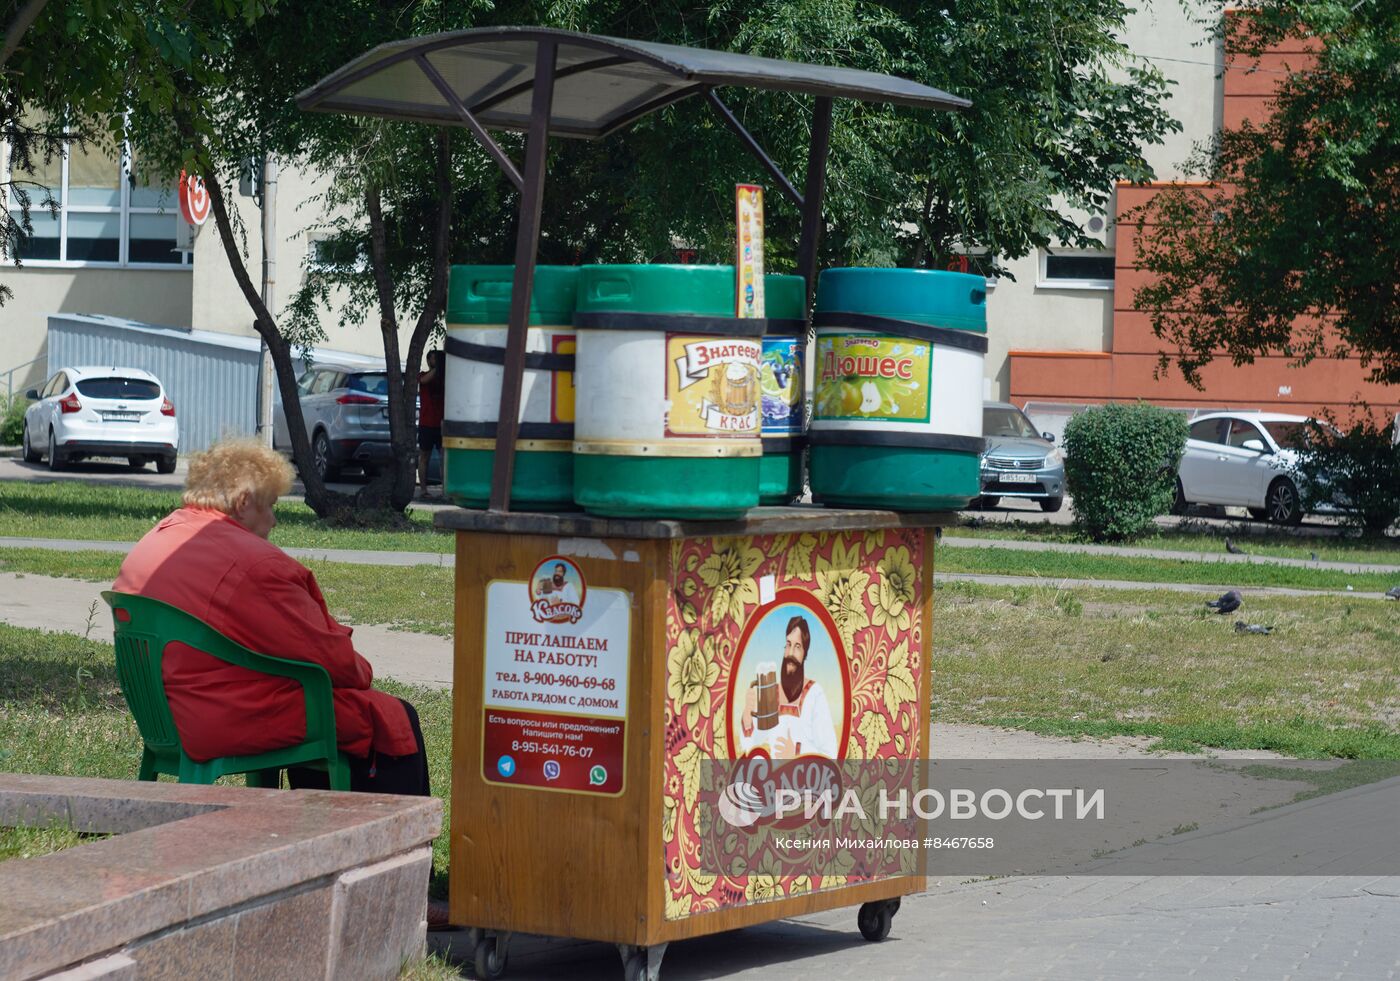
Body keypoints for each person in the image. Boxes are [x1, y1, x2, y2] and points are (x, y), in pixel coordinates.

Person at [112, 438, 449, 925]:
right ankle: (400, 888)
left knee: (331, 711)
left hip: (175, 713)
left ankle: (326, 863)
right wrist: (358, 675)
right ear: (244, 503)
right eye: (270, 507)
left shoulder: (161, 536)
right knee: (386, 717)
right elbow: (338, 663)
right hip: (227, 716)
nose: (274, 521)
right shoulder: (254, 563)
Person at [738, 615, 838, 759]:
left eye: (797, 647)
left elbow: (831, 754)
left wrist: (797, 752)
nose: (790, 653)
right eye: (788, 644)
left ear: (805, 654)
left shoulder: (815, 694)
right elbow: (751, 744)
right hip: (773, 778)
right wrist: (748, 712)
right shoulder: (773, 692)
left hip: (805, 778)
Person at [417, 349, 445, 498]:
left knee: (444, 458)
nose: (436, 361)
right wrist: (438, 368)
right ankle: (423, 490)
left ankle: (444, 490)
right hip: (426, 423)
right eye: (433, 359)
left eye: (437, 359)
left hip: (441, 424)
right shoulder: (423, 375)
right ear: (428, 361)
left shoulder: (445, 378)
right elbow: (424, 381)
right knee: (424, 457)